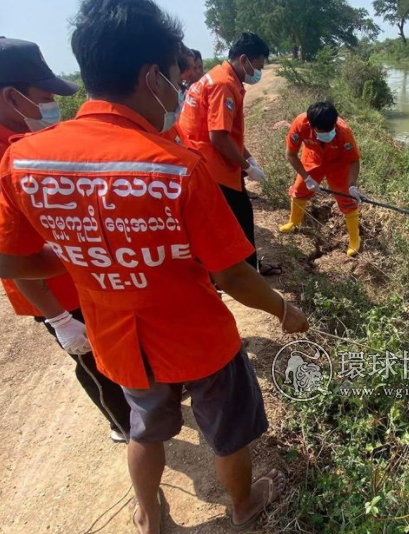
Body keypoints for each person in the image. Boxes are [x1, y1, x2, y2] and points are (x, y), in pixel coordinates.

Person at [0, 2, 309, 534]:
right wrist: (283, 310)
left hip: (118, 336)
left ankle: (149, 515)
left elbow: (7, 257)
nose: (179, 87)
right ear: (151, 75)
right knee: (229, 431)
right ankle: (244, 505)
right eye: (173, 74)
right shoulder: (174, 168)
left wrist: (77, 257)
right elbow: (232, 276)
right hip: (197, 337)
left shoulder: (24, 160)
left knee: (145, 430)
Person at [0, 36, 131, 443]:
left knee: (115, 344)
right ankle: (124, 426)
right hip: (52, 289)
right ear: (11, 96)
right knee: (92, 359)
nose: (50, 107)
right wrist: (58, 318)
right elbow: (9, 256)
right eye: (43, 97)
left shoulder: (28, 138)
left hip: (82, 272)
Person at [178, 32, 282, 276]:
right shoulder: (223, 85)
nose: (259, 72)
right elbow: (218, 137)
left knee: (236, 217)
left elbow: (230, 131)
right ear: (244, 60)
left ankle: (246, 269)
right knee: (239, 219)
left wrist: (249, 158)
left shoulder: (219, 77)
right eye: (258, 65)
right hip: (211, 167)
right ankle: (245, 275)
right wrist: (247, 167)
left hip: (205, 163)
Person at [280, 101, 365, 257]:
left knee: (347, 199)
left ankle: (354, 240)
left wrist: (352, 186)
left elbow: (354, 160)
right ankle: (294, 222)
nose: (328, 133)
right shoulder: (300, 124)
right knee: (299, 190)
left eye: (330, 130)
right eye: (322, 131)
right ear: (312, 125)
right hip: (312, 158)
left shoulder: (344, 132)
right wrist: (306, 178)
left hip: (338, 164)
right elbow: (290, 154)